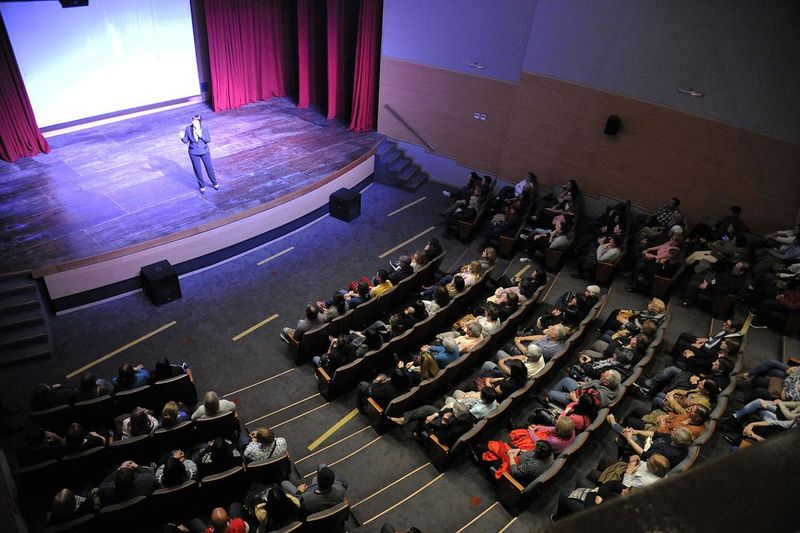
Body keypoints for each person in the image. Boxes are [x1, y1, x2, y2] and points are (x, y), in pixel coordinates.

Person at [281, 465, 347, 516]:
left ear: (317, 481)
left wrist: (299, 491)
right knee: (322, 465)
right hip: (330, 505)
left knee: (284, 483)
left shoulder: (306, 498)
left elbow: (299, 502)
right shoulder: (341, 489)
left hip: (309, 501)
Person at [180, 113, 219, 194]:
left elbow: (208, 140)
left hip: (204, 151)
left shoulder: (204, 128)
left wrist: (200, 135)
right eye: (193, 121)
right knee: (197, 170)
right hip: (193, 152)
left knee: (209, 168)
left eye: (195, 121)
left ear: (199, 122)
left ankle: (214, 183)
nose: (193, 122)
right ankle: (202, 186)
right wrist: (182, 137)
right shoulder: (188, 128)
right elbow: (186, 141)